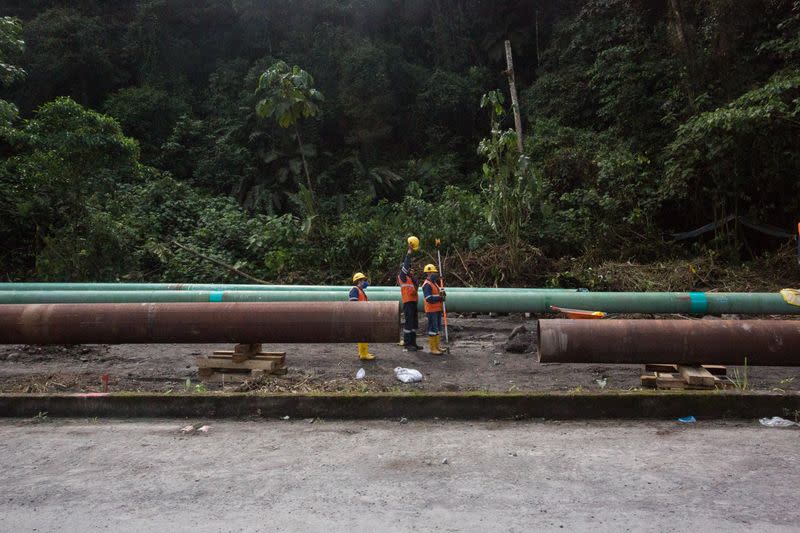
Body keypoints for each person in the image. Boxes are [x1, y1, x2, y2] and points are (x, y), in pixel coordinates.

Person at [397, 237, 422, 351]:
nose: (411, 270)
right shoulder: (402, 276)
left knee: (413, 324)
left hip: (413, 302)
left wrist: (414, 278)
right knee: (408, 324)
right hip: (407, 302)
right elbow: (406, 266)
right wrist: (409, 253)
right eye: (409, 269)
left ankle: (413, 343)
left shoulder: (410, 278)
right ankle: (407, 344)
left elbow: (416, 287)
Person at [349, 272, 376, 361]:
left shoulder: (360, 291)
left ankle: (363, 352)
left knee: (364, 334)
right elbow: (354, 304)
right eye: (363, 280)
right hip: (359, 315)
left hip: (362, 315)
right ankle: (363, 354)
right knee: (362, 335)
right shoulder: (354, 290)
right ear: (359, 281)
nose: (365, 282)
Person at [422, 264, 446, 355]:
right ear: (428, 273)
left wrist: (442, 293)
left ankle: (437, 347)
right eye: (433, 272)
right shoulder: (427, 285)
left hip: (437, 309)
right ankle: (433, 348)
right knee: (432, 328)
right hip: (431, 310)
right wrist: (440, 297)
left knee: (437, 328)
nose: (435, 274)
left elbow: (438, 293)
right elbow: (428, 298)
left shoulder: (434, 283)